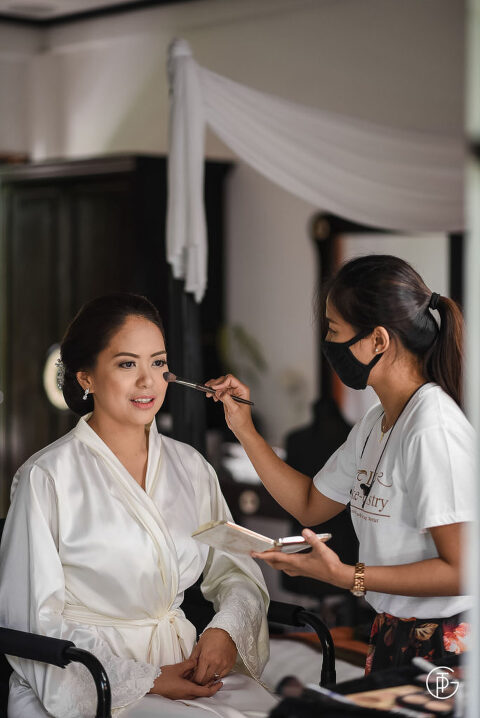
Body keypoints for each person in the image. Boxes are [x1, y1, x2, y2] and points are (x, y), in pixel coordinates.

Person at [0, 293, 277, 718]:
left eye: (159, 363)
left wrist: (225, 631)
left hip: (185, 663)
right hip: (90, 678)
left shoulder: (191, 467)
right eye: (127, 364)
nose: (148, 381)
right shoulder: (47, 476)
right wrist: (149, 679)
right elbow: (33, 619)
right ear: (87, 378)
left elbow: (236, 570)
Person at [206, 254, 474, 675]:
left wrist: (349, 576)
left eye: (334, 330)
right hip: (392, 630)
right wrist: (244, 428)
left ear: (378, 340)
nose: (328, 343)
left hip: (449, 642)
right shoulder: (376, 421)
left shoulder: (431, 429)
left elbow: (463, 571)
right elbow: (311, 504)